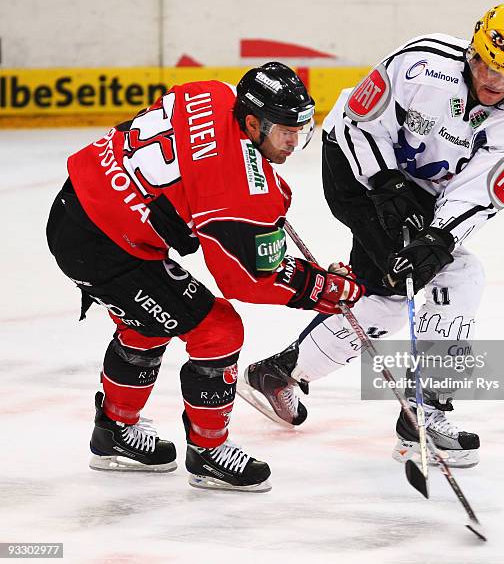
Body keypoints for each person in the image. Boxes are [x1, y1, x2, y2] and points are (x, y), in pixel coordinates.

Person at [240, 5, 504, 468]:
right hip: (353, 169)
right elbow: (359, 123)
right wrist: (386, 182)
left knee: (388, 297)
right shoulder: (421, 63)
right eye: (489, 65)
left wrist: (438, 238)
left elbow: (479, 192)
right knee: (460, 278)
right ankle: (423, 415)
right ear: (473, 51)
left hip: (421, 195)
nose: (497, 82)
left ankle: (279, 372)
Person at [46, 62, 364, 492]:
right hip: (104, 245)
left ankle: (114, 433)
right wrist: (320, 287)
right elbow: (246, 279)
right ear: (252, 122)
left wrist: (255, 188)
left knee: (149, 320)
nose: (293, 141)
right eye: (284, 131)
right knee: (217, 329)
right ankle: (208, 452)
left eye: (300, 129)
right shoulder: (233, 185)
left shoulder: (213, 92)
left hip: (78, 206)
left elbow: (195, 150)